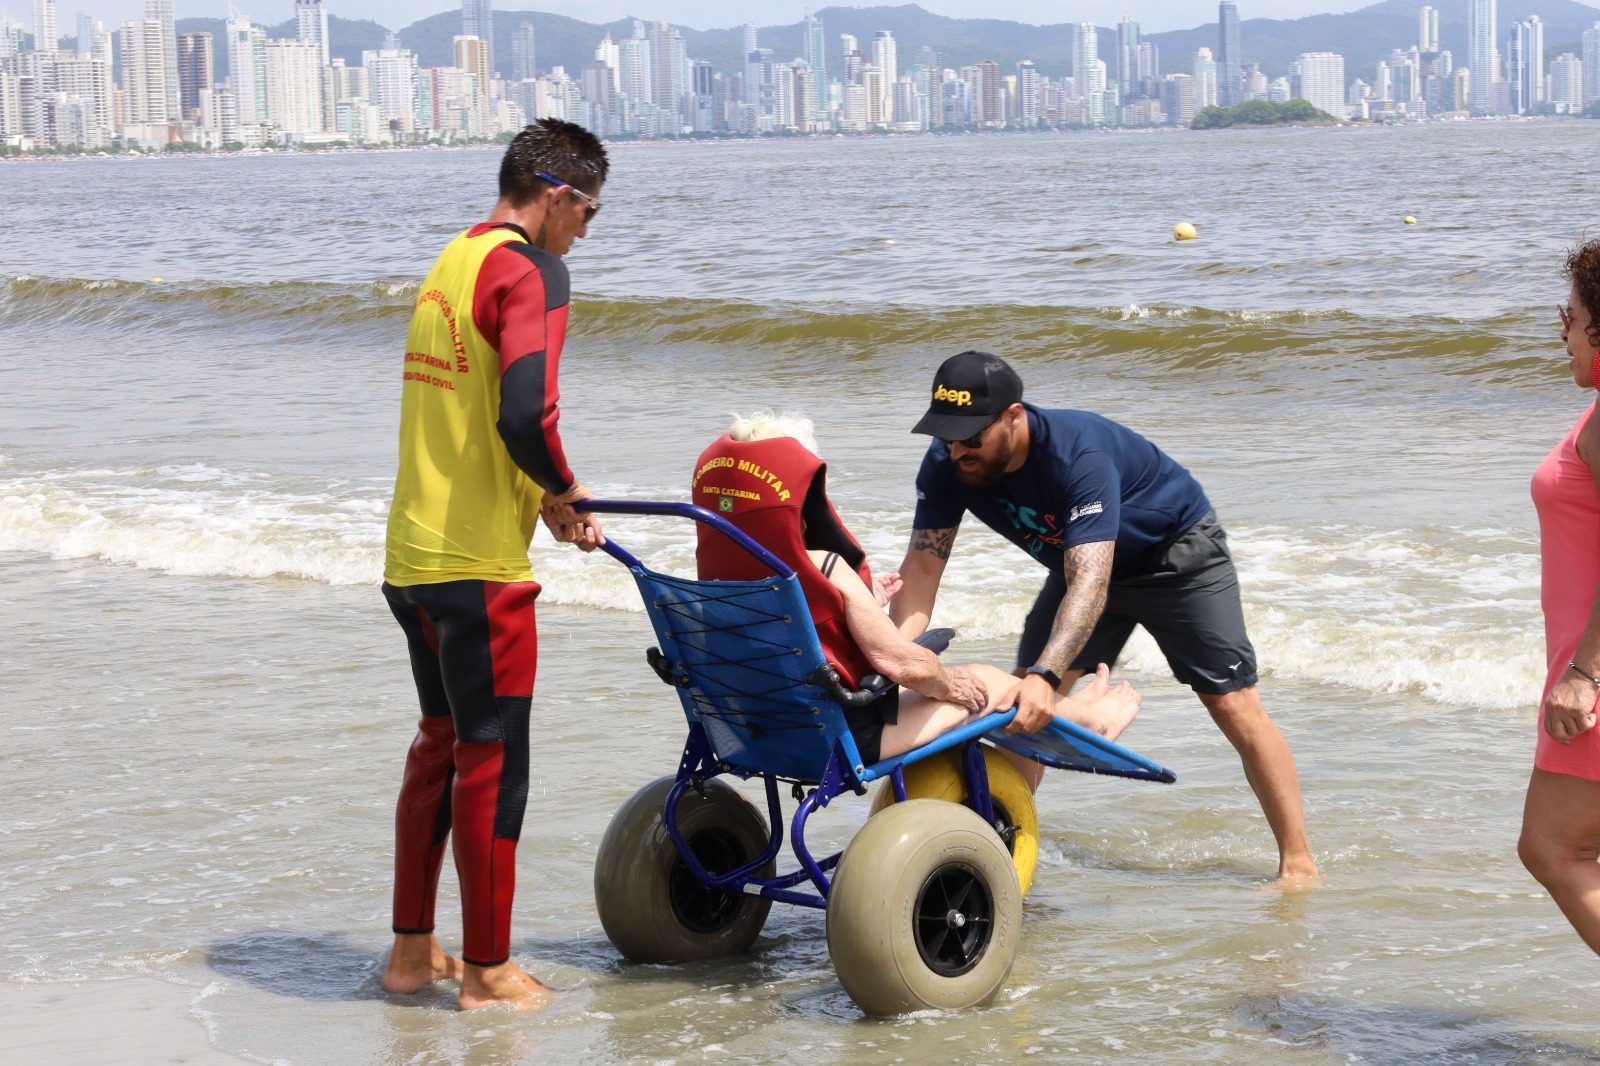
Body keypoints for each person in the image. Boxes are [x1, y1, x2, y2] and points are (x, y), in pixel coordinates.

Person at [889, 351, 1319, 883]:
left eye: (971, 436)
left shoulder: (1075, 456)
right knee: (1023, 711)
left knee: (1231, 704)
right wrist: (897, 655)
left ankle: (1298, 862)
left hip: (1175, 560)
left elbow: (1093, 582)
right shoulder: (947, 464)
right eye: (947, 434)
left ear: (1014, 417)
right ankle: (996, 861)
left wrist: (1049, 675)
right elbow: (923, 567)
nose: (957, 449)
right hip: (1080, 570)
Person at [378, 119, 607, 1011]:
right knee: (493, 759)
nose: (585, 233)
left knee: (441, 745)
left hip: (411, 555)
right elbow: (523, 412)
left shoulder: (452, 261)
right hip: (477, 569)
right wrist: (564, 489)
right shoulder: (531, 269)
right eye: (587, 213)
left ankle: (411, 955)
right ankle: (486, 971)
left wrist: (547, 492)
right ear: (555, 195)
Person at [692, 413, 1141, 766]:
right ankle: (1091, 720)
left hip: (746, 728)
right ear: (800, 506)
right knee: (993, 682)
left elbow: (797, 634)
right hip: (840, 738)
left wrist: (860, 605)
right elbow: (897, 661)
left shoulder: (721, 582)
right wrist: (949, 684)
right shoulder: (824, 566)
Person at [1518, 237, 1600, 954]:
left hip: (1595, 680)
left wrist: (1583, 674)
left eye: (1568, 314)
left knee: (1554, 849)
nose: (1561, 331)